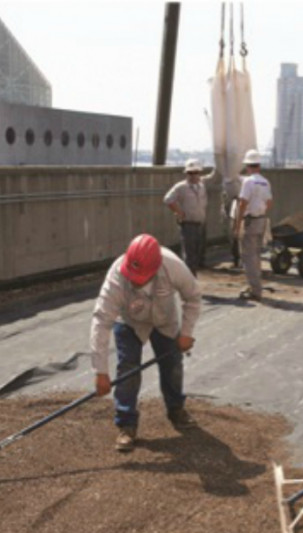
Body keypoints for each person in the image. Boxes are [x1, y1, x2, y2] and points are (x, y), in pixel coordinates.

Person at [90, 234, 201, 452]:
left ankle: (176, 409)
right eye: (133, 276)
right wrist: (100, 371)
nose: (136, 280)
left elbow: (193, 297)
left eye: (142, 277)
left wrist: (186, 333)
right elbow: (101, 321)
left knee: (172, 366)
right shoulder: (117, 277)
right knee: (128, 368)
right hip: (130, 321)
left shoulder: (172, 266)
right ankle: (126, 423)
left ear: (156, 267)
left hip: (164, 321)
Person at [163, 159, 216, 275]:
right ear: (186, 173)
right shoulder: (181, 187)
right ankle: (190, 280)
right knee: (189, 254)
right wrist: (179, 212)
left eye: (195, 172)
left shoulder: (201, 184)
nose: (193, 175)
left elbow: (213, 176)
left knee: (197, 252)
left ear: (199, 173)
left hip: (200, 223)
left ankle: (191, 279)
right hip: (188, 224)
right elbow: (168, 199)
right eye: (190, 173)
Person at [233, 149, 272, 302]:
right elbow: (269, 203)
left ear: (248, 166)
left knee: (248, 257)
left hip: (250, 222)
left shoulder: (248, 181)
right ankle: (256, 286)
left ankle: (256, 291)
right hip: (261, 220)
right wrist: (260, 211)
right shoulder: (265, 182)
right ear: (259, 165)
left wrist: (238, 223)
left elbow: (243, 203)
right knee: (256, 255)